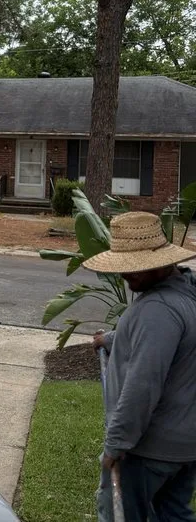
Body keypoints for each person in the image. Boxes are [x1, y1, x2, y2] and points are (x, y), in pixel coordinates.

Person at [86, 211, 196, 522]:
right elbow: (160, 340)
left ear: (160, 262)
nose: (126, 275)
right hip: (184, 444)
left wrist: (115, 445)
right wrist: (109, 339)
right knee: (173, 515)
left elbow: (143, 386)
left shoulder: (157, 309)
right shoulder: (185, 294)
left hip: (149, 448)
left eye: (135, 267)